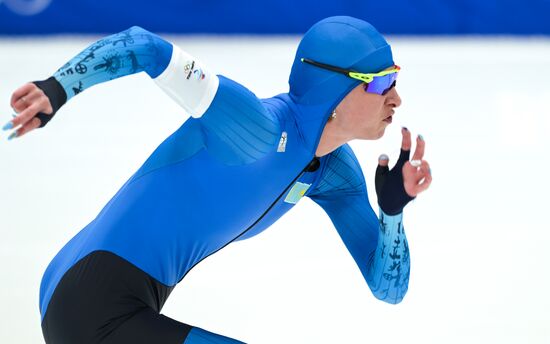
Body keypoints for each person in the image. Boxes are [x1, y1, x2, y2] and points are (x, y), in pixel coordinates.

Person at [3, 16, 432, 343]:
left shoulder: (333, 172)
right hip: (88, 298)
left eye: (395, 78)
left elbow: (388, 290)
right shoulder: (254, 129)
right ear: (332, 90)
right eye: (380, 83)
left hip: (126, 298)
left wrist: (392, 212)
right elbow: (146, 47)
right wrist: (58, 88)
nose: (396, 97)